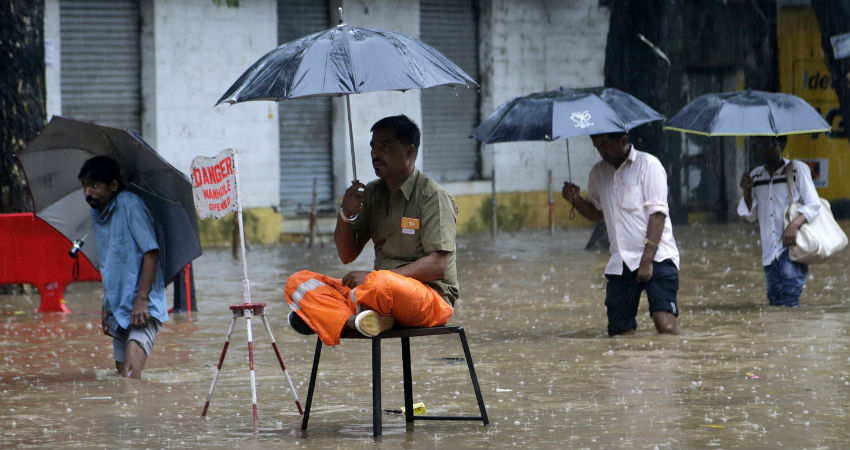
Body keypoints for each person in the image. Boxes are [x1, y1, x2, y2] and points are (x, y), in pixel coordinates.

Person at [284, 115, 457, 346]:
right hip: (378, 295)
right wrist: (345, 214)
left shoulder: (433, 196)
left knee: (380, 285)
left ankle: (332, 317)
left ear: (410, 152)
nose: (376, 154)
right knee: (300, 282)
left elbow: (438, 265)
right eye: (373, 147)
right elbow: (347, 255)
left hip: (429, 298)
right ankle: (361, 321)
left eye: (385, 147)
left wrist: (373, 277)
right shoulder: (372, 193)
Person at [561, 132, 682, 336]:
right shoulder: (598, 173)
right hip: (621, 262)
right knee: (620, 334)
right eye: (597, 147)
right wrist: (576, 200)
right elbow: (597, 213)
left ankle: (674, 365)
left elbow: (658, 215)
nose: (602, 152)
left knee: (666, 324)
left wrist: (646, 260)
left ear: (623, 141)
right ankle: (630, 368)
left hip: (657, 256)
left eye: (605, 145)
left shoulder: (649, 165)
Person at [78, 155, 168, 378]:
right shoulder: (96, 214)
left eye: (95, 186)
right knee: (121, 380)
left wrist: (142, 299)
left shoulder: (130, 204)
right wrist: (106, 304)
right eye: (85, 186)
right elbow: (110, 262)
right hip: (117, 307)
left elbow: (151, 251)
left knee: (129, 379)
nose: (88, 193)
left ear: (113, 185)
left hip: (142, 307)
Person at [737, 135, 820, 307]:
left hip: (792, 251)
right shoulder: (755, 176)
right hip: (769, 254)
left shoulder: (797, 169)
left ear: (782, 145)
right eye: (761, 144)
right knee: (775, 305)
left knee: (790, 302)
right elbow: (750, 217)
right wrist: (746, 192)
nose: (764, 148)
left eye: (769, 143)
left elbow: (814, 205)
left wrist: (794, 225)